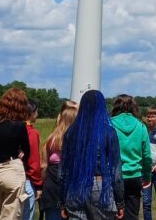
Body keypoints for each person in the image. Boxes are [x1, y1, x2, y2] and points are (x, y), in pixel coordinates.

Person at [61, 90, 124, 220]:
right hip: (100, 186)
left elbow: (63, 171)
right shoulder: (108, 131)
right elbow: (116, 171)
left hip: (75, 186)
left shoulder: (71, 132)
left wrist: (62, 202)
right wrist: (119, 202)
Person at [0, 87, 33, 220]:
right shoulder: (19, 125)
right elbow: (27, 151)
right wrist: (20, 152)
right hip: (12, 169)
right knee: (11, 215)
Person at [111, 95, 153, 220]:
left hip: (115, 176)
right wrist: (147, 176)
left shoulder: (109, 124)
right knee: (132, 215)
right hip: (135, 176)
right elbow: (146, 156)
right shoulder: (141, 126)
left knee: (115, 214)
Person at [42, 100, 78, 220]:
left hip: (52, 188)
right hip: (72, 189)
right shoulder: (78, 140)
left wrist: (41, 186)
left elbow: (43, 166)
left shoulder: (50, 139)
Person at [24, 100, 44, 220]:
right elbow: (34, 161)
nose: (37, 113)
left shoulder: (14, 128)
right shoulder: (31, 132)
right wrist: (38, 185)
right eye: (36, 111)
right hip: (27, 182)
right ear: (31, 113)